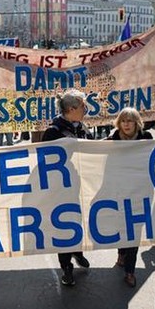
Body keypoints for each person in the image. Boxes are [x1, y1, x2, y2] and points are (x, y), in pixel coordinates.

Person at [41, 90, 93, 286]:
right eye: (83, 106)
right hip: (60, 191)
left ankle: (77, 252)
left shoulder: (82, 127)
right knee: (63, 227)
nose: (86, 110)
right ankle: (66, 267)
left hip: (80, 186)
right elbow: (45, 162)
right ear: (72, 109)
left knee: (78, 222)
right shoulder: (53, 132)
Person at [106, 107, 153, 288]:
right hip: (120, 192)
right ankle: (122, 252)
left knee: (136, 230)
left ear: (136, 123)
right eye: (123, 120)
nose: (126, 124)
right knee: (123, 227)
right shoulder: (112, 140)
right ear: (119, 123)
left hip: (141, 192)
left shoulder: (146, 138)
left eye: (130, 120)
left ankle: (130, 271)